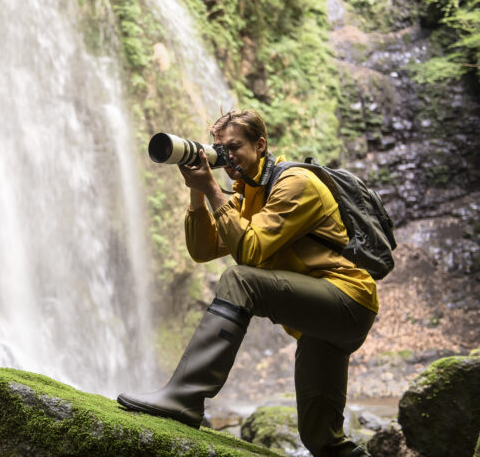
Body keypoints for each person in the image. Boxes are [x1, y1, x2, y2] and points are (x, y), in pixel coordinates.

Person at [117, 109, 377, 457]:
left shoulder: (295, 183)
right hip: (321, 325)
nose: (227, 158)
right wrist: (197, 193)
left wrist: (212, 187)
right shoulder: (248, 193)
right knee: (321, 439)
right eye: (220, 150)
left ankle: (186, 397)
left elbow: (250, 254)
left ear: (260, 145)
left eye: (235, 147)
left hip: (347, 301)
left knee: (241, 280)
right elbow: (202, 249)